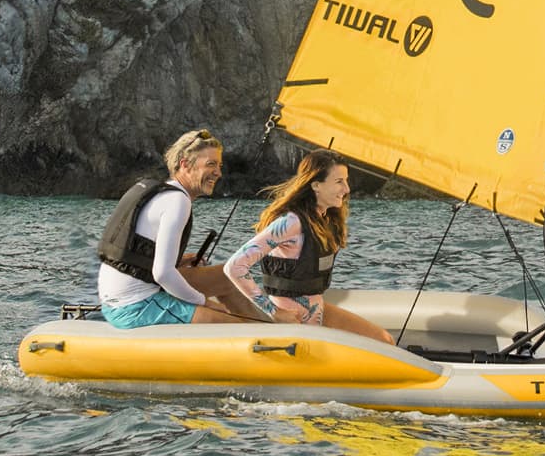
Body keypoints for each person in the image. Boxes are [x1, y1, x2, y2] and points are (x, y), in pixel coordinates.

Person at [95, 129, 269, 329]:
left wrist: (179, 259)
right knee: (236, 328)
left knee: (227, 275)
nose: (218, 173)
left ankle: (271, 328)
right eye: (211, 164)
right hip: (135, 307)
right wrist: (205, 302)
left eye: (219, 166)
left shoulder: (164, 193)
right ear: (185, 164)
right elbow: (163, 274)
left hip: (115, 298)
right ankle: (267, 336)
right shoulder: (177, 201)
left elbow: (142, 257)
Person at [217, 148, 393, 343]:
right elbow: (234, 266)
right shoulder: (292, 223)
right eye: (339, 182)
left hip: (316, 313)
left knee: (384, 340)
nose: (347, 189)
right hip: (291, 322)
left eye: (346, 180)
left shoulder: (325, 220)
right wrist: (275, 312)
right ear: (316, 185)